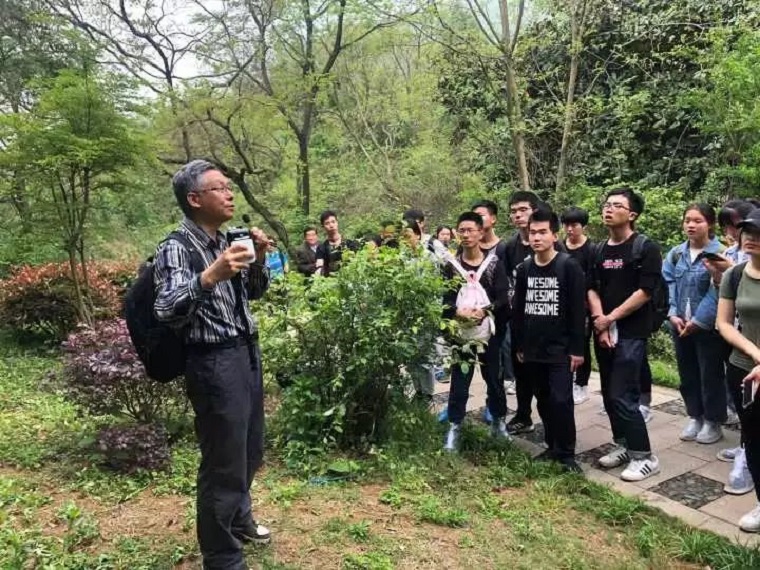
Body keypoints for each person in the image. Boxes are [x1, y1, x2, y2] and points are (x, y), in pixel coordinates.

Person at [153, 160, 271, 570]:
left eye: (228, 187)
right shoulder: (176, 246)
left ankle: (238, 519)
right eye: (219, 187)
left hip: (246, 353)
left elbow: (252, 293)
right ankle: (222, 557)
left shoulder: (227, 239)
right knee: (223, 462)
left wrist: (259, 258)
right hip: (213, 361)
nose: (229, 193)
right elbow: (166, 308)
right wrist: (209, 276)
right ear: (194, 199)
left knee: (250, 448)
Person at [588, 187, 661, 482]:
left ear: (632, 214)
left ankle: (645, 456)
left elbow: (645, 291)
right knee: (608, 393)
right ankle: (624, 445)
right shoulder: (598, 250)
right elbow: (591, 287)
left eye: (616, 205)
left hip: (631, 332)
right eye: (607, 204)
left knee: (623, 394)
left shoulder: (645, 247)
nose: (609, 209)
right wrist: (600, 321)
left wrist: (611, 319)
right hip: (603, 330)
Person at [512, 209, 586, 472]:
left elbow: (578, 311)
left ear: (554, 235)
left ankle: (566, 454)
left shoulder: (568, 266)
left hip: (561, 350)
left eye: (543, 232)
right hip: (533, 349)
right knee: (542, 399)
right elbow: (518, 310)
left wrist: (577, 349)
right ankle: (552, 446)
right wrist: (519, 345)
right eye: (533, 232)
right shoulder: (525, 269)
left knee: (561, 400)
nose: (537, 237)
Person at [442, 211, 510, 452]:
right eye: (461, 230)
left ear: (481, 232)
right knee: (459, 383)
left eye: (471, 230)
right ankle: (455, 426)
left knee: (494, 380)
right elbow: (444, 300)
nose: (466, 235)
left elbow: (503, 298)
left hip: (489, 334)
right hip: (461, 335)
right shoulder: (451, 266)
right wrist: (456, 312)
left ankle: (499, 422)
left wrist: (484, 311)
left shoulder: (493, 264)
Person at [662, 204, 727, 444]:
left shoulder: (720, 253)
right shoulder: (676, 253)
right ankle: (695, 416)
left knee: (710, 374)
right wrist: (672, 314)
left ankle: (713, 421)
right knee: (687, 373)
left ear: (710, 224)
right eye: (687, 220)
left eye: (697, 221)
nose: (691, 225)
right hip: (679, 325)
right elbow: (667, 283)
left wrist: (699, 321)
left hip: (708, 327)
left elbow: (718, 290)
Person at [504, 192, 566, 435]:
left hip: (549, 322)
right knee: (521, 372)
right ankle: (523, 415)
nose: (518, 215)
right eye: (513, 211)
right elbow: (507, 280)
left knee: (550, 384)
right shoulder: (510, 246)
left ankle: (558, 432)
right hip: (521, 320)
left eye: (523, 210)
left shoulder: (554, 247)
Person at [716, 207, 760, 532]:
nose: (751, 238)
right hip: (743, 370)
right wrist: (756, 354)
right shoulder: (735, 275)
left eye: (759, 233)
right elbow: (724, 323)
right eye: (747, 231)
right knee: (754, 438)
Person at [472, 200, 517, 405]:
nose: (477, 219)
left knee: (498, 356)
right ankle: (493, 400)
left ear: (493, 219)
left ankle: (498, 402)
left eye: (481, 215)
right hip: (475, 315)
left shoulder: (504, 248)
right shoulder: (469, 247)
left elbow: (510, 280)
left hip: (499, 313)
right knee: (484, 363)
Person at [561, 206, 594, 405]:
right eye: (566, 225)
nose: (569, 229)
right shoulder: (559, 246)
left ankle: (581, 383)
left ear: (583, 226)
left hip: (583, 305)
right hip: (562, 304)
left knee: (581, 343)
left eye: (574, 225)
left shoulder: (591, 249)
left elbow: (592, 279)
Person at [315, 210, 360, 277]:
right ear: (323, 226)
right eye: (327, 223)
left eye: (333, 222)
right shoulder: (321, 248)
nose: (331, 225)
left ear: (337, 223)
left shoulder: (350, 244)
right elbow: (319, 267)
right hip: (330, 281)